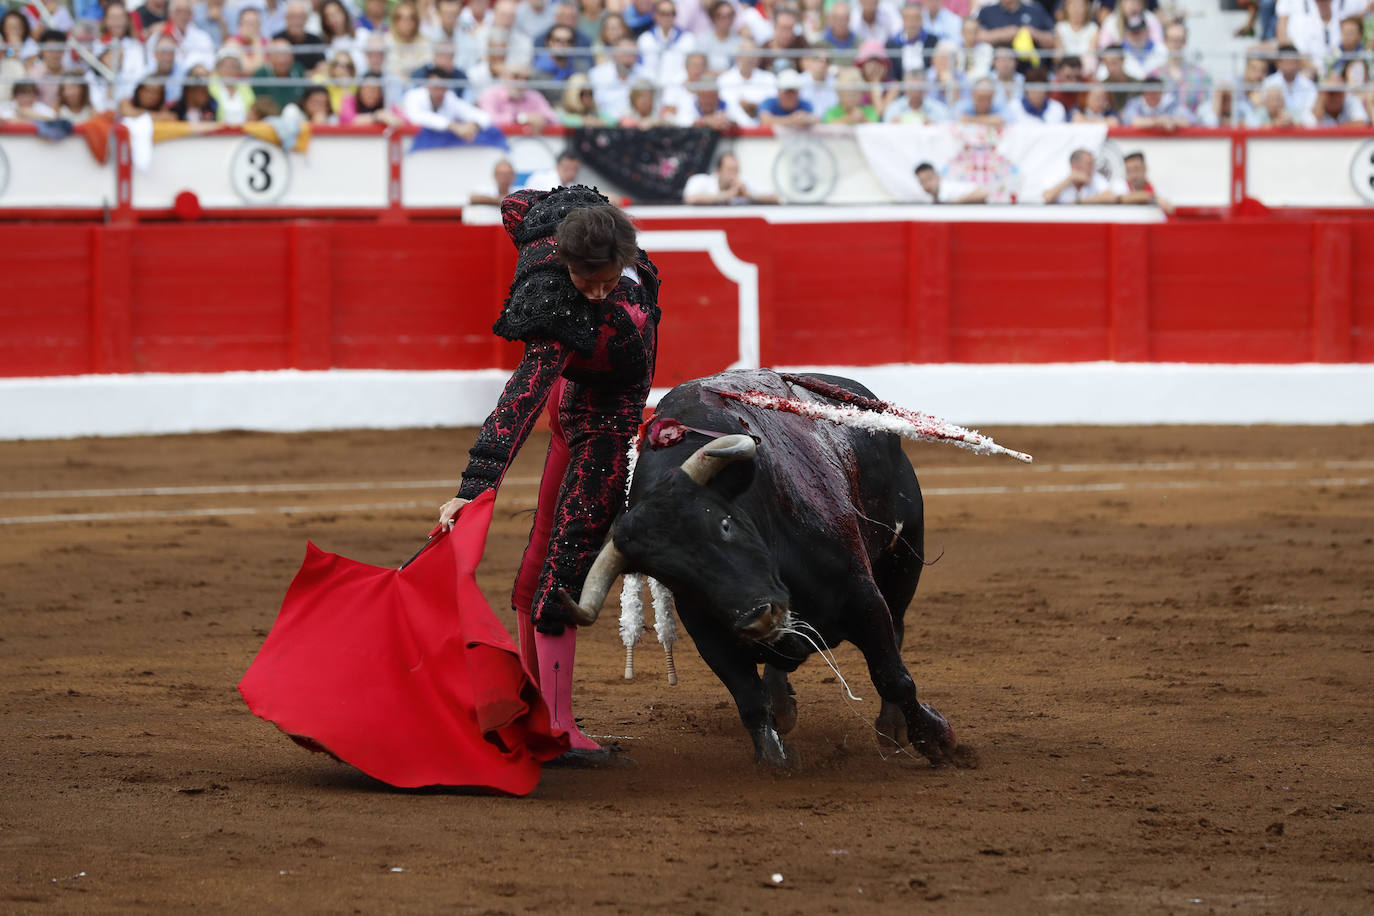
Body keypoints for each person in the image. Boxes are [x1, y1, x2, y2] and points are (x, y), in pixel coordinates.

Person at [436, 186, 662, 764]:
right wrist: (475, 488)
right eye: (588, 282)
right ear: (566, 265)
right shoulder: (553, 297)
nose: (599, 291)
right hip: (594, 424)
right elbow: (523, 396)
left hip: (603, 413)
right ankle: (557, 726)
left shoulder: (602, 240)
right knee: (561, 562)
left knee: (550, 558)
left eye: (608, 279)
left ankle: (541, 705)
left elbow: (519, 203)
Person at [403, 66, 494, 136]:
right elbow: (416, 117)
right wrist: (454, 126)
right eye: (435, 87)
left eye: (442, 88)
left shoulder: (449, 98)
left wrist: (474, 125)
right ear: (426, 86)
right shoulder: (413, 96)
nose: (439, 92)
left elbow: (484, 117)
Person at [683, 151, 780, 204]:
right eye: (729, 170)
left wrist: (749, 196)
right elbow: (691, 199)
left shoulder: (743, 186)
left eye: (736, 170)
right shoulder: (701, 180)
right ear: (718, 171)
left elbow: (776, 198)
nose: (733, 175)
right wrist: (727, 195)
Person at [1042, 148, 1117, 204]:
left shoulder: (1094, 177)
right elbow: (1047, 198)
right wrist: (1069, 179)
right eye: (1089, 164)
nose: (1093, 168)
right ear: (1075, 165)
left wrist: (1080, 202)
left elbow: (1111, 197)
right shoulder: (1058, 175)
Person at [914, 161, 987, 203]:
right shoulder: (932, 198)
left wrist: (954, 205)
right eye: (922, 182)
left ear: (938, 177)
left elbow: (983, 193)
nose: (927, 185)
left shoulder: (949, 189)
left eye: (929, 179)